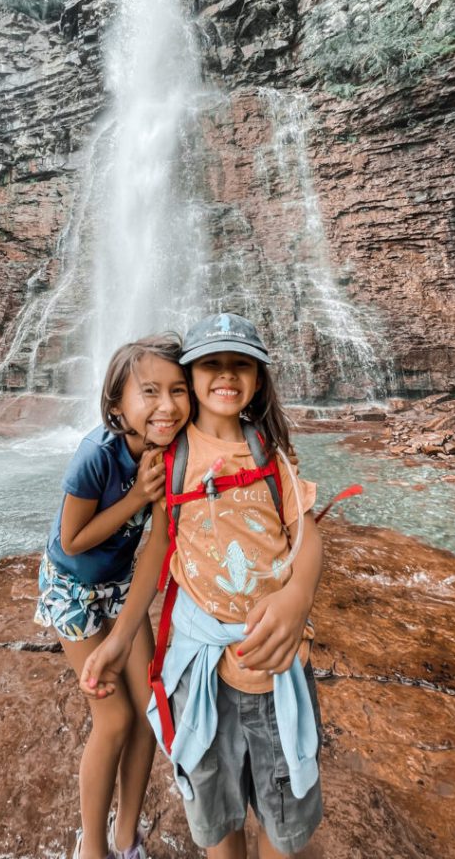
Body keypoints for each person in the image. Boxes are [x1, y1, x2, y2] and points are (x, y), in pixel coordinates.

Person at [80, 313, 324, 859]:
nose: (226, 375)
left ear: (258, 380)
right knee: (217, 820)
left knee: (288, 825)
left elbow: (305, 535)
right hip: (201, 670)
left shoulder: (269, 453)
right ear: (191, 377)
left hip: (277, 667)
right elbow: (159, 551)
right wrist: (119, 640)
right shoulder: (170, 459)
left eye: (241, 365)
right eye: (211, 363)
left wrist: (296, 596)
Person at [35, 334, 191, 859]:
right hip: (73, 587)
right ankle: (92, 848)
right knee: (116, 717)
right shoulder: (94, 457)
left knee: (150, 707)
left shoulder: (173, 456)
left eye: (178, 390)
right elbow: (73, 539)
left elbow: (162, 541)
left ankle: (127, 836)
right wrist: (136, 498)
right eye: (149, 391)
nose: (166, 405)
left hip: (121, 586)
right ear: (117, 405)